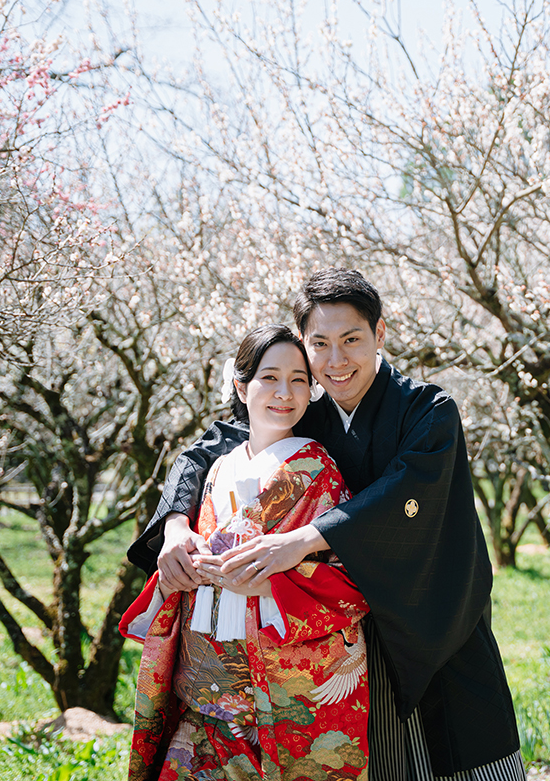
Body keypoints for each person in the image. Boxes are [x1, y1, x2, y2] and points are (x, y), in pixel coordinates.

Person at [127, 269, 524, 781]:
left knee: (459, 756)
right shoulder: (304, 412)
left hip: (428, 620)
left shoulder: (429, 410)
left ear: (380, 335)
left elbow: (404, 491)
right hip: (336, 632)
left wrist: (302, 540)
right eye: (320, 344)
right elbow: (207, 447)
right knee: (369, 759)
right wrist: (177, 524)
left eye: (352, 340)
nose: (336, 361)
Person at [120, 324, 370, 781]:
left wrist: (275, 580)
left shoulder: (319, 470)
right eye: (269, 378)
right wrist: (180, 566)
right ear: (241, 384)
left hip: (274, 696)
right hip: (200, 688)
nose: (285, 392)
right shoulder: (218, 467)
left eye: (299, 379)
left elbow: (355, 576)